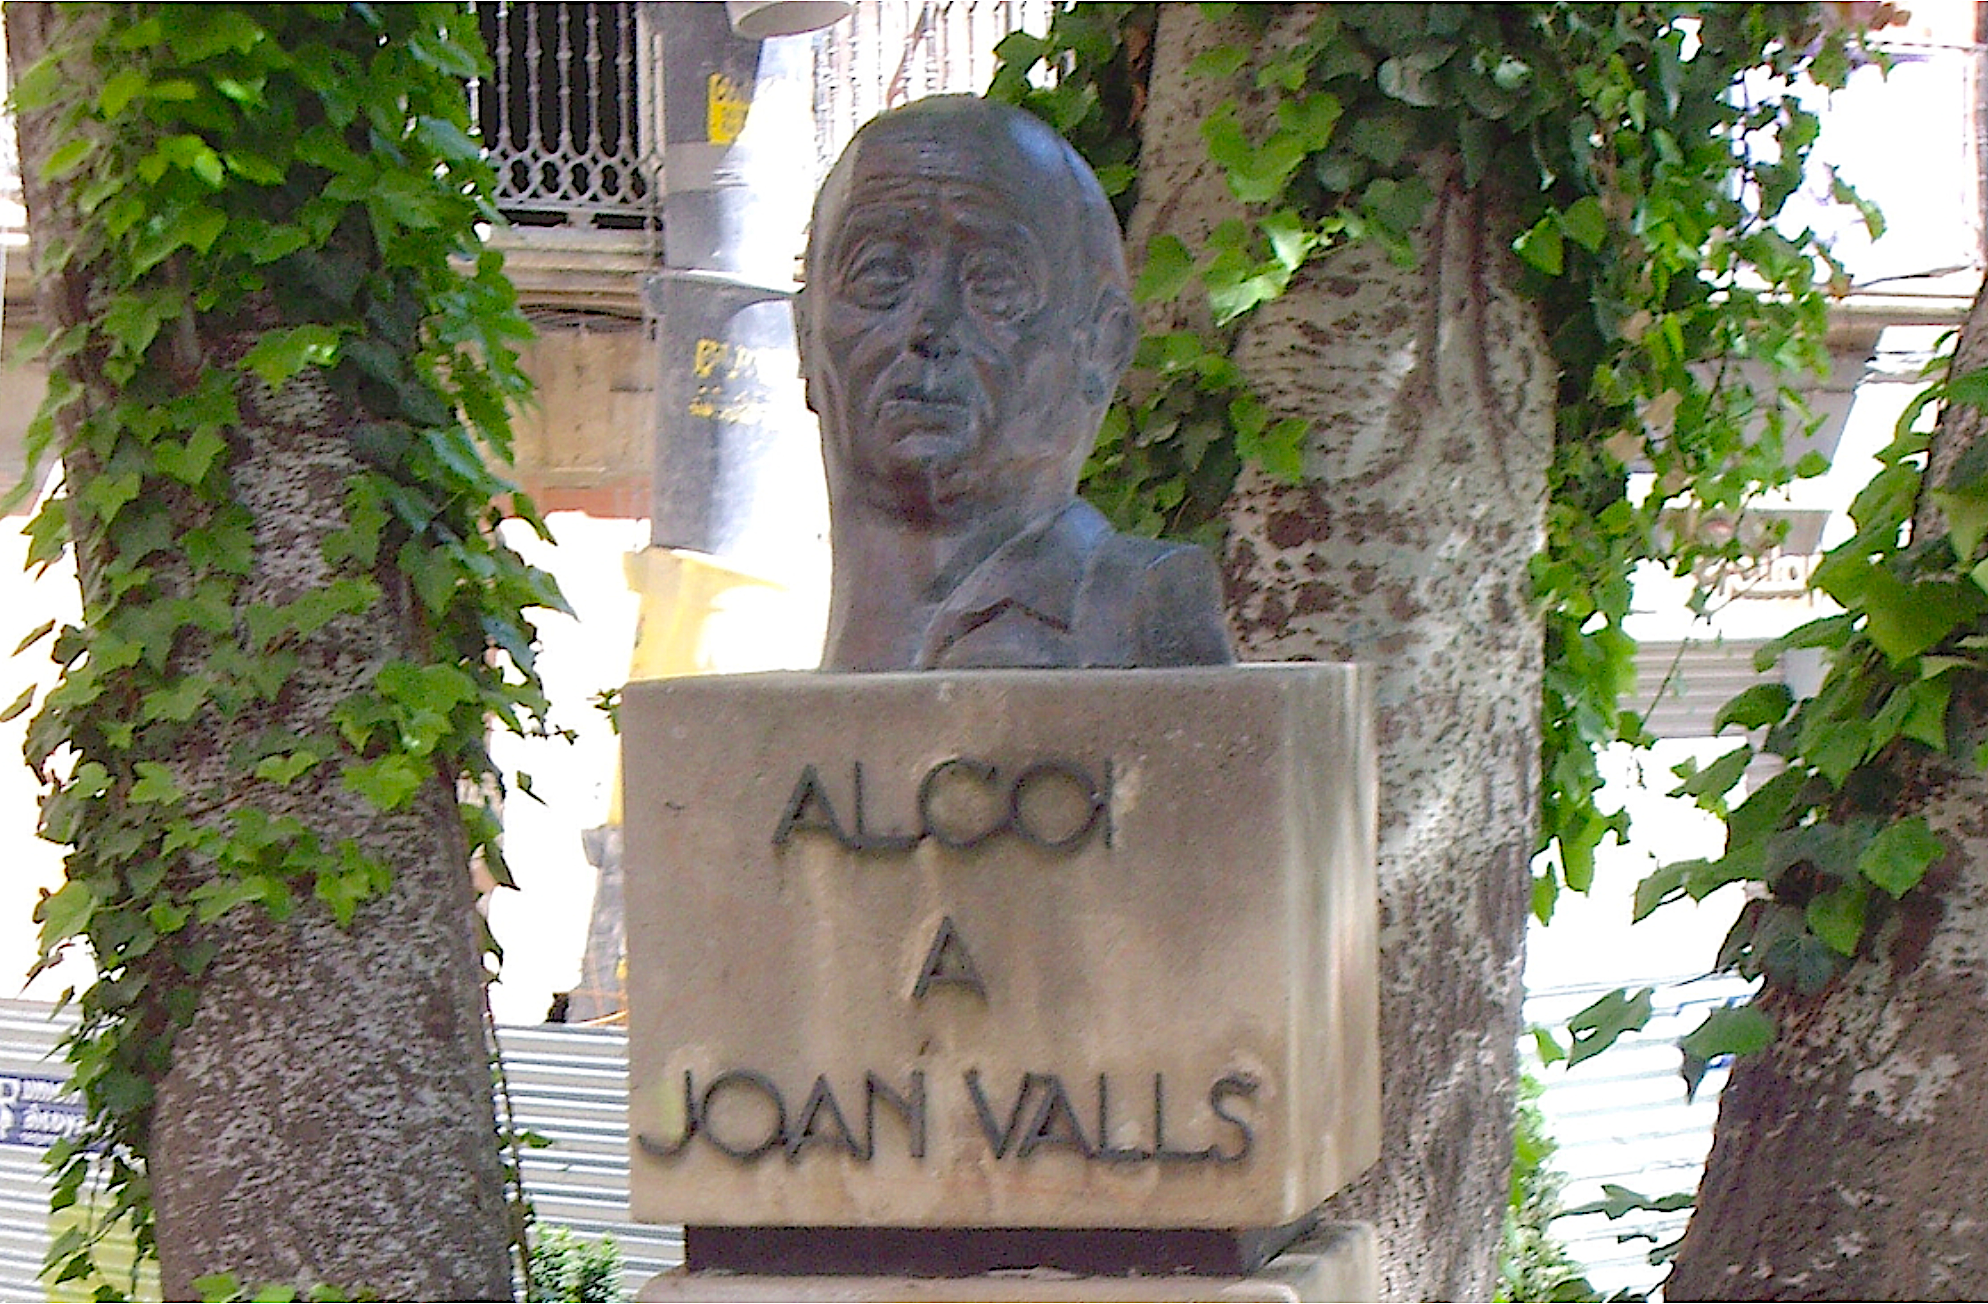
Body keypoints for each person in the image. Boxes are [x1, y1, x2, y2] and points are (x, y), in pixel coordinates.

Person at [796, 95, 1235, 672]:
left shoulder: (1134, 613)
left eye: (994, 281)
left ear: (1102, 346)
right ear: (804, 336)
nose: (929, 324)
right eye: (880, 271)